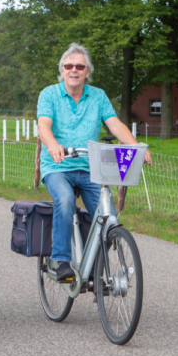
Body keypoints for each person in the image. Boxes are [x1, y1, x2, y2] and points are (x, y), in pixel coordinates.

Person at [37, 43, 151, 282]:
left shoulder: (98, 96)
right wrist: (53, 145)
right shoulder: (49, 94)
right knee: (65, 200)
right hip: (58, 166)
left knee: (108, 218)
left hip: (90, 167)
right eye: (69, 66)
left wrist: (137, 147)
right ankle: (61, 260)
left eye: (80, 66)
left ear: (87, 72)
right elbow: (44, 126)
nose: (74, 70)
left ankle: (93, 266)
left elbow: (115, 124)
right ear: (62, 70)